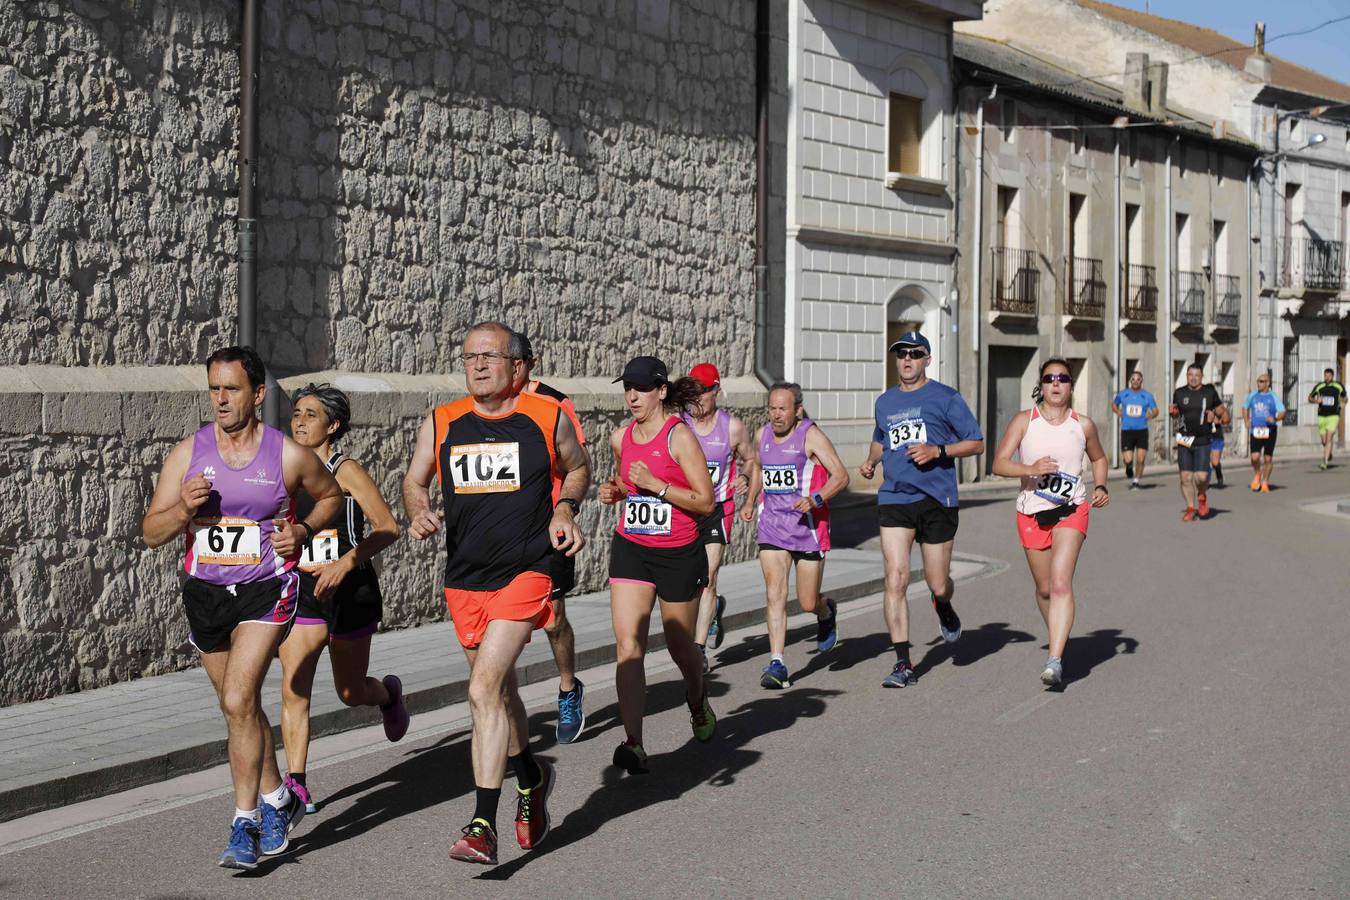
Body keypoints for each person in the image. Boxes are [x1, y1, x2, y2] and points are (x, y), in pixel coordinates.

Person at [142, 346, 342, 869]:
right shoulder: (189, 453)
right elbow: (151, 532)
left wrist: (300, 530)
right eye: (214, 388)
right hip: (205, 593)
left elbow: (331, 497)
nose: (221, 399)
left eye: (232, 389)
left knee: (238, 696)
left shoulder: (286, 455)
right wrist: (184, 507)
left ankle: (244, 822)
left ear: (257, 395)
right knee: (240, 710)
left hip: (264, 588)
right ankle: (281, 798)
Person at [403, 322, 590, 865]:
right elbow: (415, 481)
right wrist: (418, 511)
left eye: (490, 356)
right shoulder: (441, 423)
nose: (479, 365)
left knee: (483, 690)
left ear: (516, 367)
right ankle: (531, 777)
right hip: (465, 578)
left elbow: (577, 468)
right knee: (502, 695)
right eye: (469, 357)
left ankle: (483, 823)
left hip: (527, 569)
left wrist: (563, 508)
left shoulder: (546, 417)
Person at [277, 383, 409, 815]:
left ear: (333, 424)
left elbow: (388, 527)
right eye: (296, 412)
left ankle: (387, 696)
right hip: (304, 591)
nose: (299, 421)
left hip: (350, 590)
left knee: (350, 692)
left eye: (311, 414)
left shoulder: (345, 469)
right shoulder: (284, 469)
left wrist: (347, 561)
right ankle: (295, 784)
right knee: (295, 687)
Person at [598, 356, 717, 775]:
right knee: (629, 645)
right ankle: (634, 742)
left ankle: (697, 698)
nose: (632, 396)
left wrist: (658, 486)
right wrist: (616, 492)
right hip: (632, 547)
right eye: (627, 388)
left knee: (679, 647)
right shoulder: (620, 437)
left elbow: (705, 502)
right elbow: (628, 487)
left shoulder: (679, 437)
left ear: (661, 391)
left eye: (641, 388)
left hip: (678, 553)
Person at [858, 331, 984, 689]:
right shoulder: (885, 402)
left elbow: (976, 443)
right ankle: (903, 663)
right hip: (895, 497)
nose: (907, 360)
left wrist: (938, 452)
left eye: (915, 354)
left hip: (936, 499)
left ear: (928, 359)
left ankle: (942, 604)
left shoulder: (946, 398)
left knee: (938, 582)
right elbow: (881, 438)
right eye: (901, 354)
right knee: (895, 577)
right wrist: (870, 462)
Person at [991, 358, 1110, 687]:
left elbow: (1099, 458)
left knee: (1060, 584)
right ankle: (1059, 635)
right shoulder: (1024, 421)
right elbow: (999, 463)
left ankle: (1055, 659)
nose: (1056, 384)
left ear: (1071, 385)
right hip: (1032, 511)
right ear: (1040, 385)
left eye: (1063, 378)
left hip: (1072, 508)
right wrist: (1029, 469)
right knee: (1044, 589)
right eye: (1049, 378)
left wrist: (1100, 486)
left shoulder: (1082, 425)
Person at [741, 383, 850, 688]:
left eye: (782, 409)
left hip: (807, 528)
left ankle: (825, 610)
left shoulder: (810, 436)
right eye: (772, 408)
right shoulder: (762, 435)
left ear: (797, 410)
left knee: (805, 601)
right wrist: (750, 501)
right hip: (772, 525)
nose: (776, 415)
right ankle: (777, 662)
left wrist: (816, 499)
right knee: (775, 593)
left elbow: (841, 476)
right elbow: (760, 470)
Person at [515, 333, 590, 744]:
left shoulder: (554, 404)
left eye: (517, 361)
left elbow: (577, 462)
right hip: (502, 532)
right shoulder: (485, 404)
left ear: (528, 362)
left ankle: (567, 688)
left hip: (547, 526)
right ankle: (502, 704)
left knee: (553, 617)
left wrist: (565, 509)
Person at [681, 362, 757, 672]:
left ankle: (698, 649)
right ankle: (712, 612)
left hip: (717, 509)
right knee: (687, 580)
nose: (697, 398)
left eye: (703, 392)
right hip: (685, 507)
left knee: (709, 576)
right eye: (692, 392)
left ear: (716, 391)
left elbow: (751, 459)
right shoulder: (679, 423)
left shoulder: (732, 427)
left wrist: (746, 479)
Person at [1169, 363, 1225, 522]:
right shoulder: (1179, 393)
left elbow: (1225, 416)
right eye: (1190, 375)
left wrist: (1215, 417)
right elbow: (1177, 416)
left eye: (1196, 375)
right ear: (1187, 376)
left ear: (1201, 377)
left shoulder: (1209, 392)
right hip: (1184, 440)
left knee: (1200, 477)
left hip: (1203, 439)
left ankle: (1202, 495)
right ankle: (1191, 507)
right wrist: (1174, 414)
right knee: (1185, 477)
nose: (1193, 378)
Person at [1111, 371, 1158, 489]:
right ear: (1130, 381)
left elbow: (1155, 410)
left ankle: (1136, 481)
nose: (1135, 381)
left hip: (1142, 430)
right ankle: (1128, 467)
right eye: (1133, 379)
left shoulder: (1147, 396)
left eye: (1138, 379)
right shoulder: (1123, 394)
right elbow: (1114, 404)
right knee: (1128, 459)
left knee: (1141, 459)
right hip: (1127, 430)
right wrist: (1118, 412)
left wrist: (1151, 416)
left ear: (1141, 381)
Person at [1243, 373, 1285, 493]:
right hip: (1256, 430)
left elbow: (1282, 411)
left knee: (1267, 458)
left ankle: (1265, 481)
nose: (1259, 383)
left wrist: (1275, 419)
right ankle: (1257, 473)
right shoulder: (1253, 395)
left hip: (1270, 431)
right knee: (1255, 457)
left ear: (1268, 383)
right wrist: (1246, 421)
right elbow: (1245, 407)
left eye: (1262, 381)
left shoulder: (1273, 397)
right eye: (1258, 381)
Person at [1308, 368, 1346, 470]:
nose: (1327, 378)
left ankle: (1324, 462)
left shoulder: (1338, 386)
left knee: (1329, 438)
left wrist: (1343, 403)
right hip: (1322, 415)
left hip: (1334, 415)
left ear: (1332, 376)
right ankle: (1329, 453)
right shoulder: (1320, 386)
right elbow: (1309, 398)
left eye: (1329, 376)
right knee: (1324, 441)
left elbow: (1345, 397)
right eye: (1325, 376)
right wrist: (1316, 400)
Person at [1207, 394, 1232, 489]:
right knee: (1205, 462)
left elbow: (1227, 419)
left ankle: (1219, 477)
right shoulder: (1203, 406)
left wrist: (1220, 420)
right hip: (1206, 437)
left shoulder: (1218, 407)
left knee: (1215, 462)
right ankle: (1206, 482)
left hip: (1217, 437)